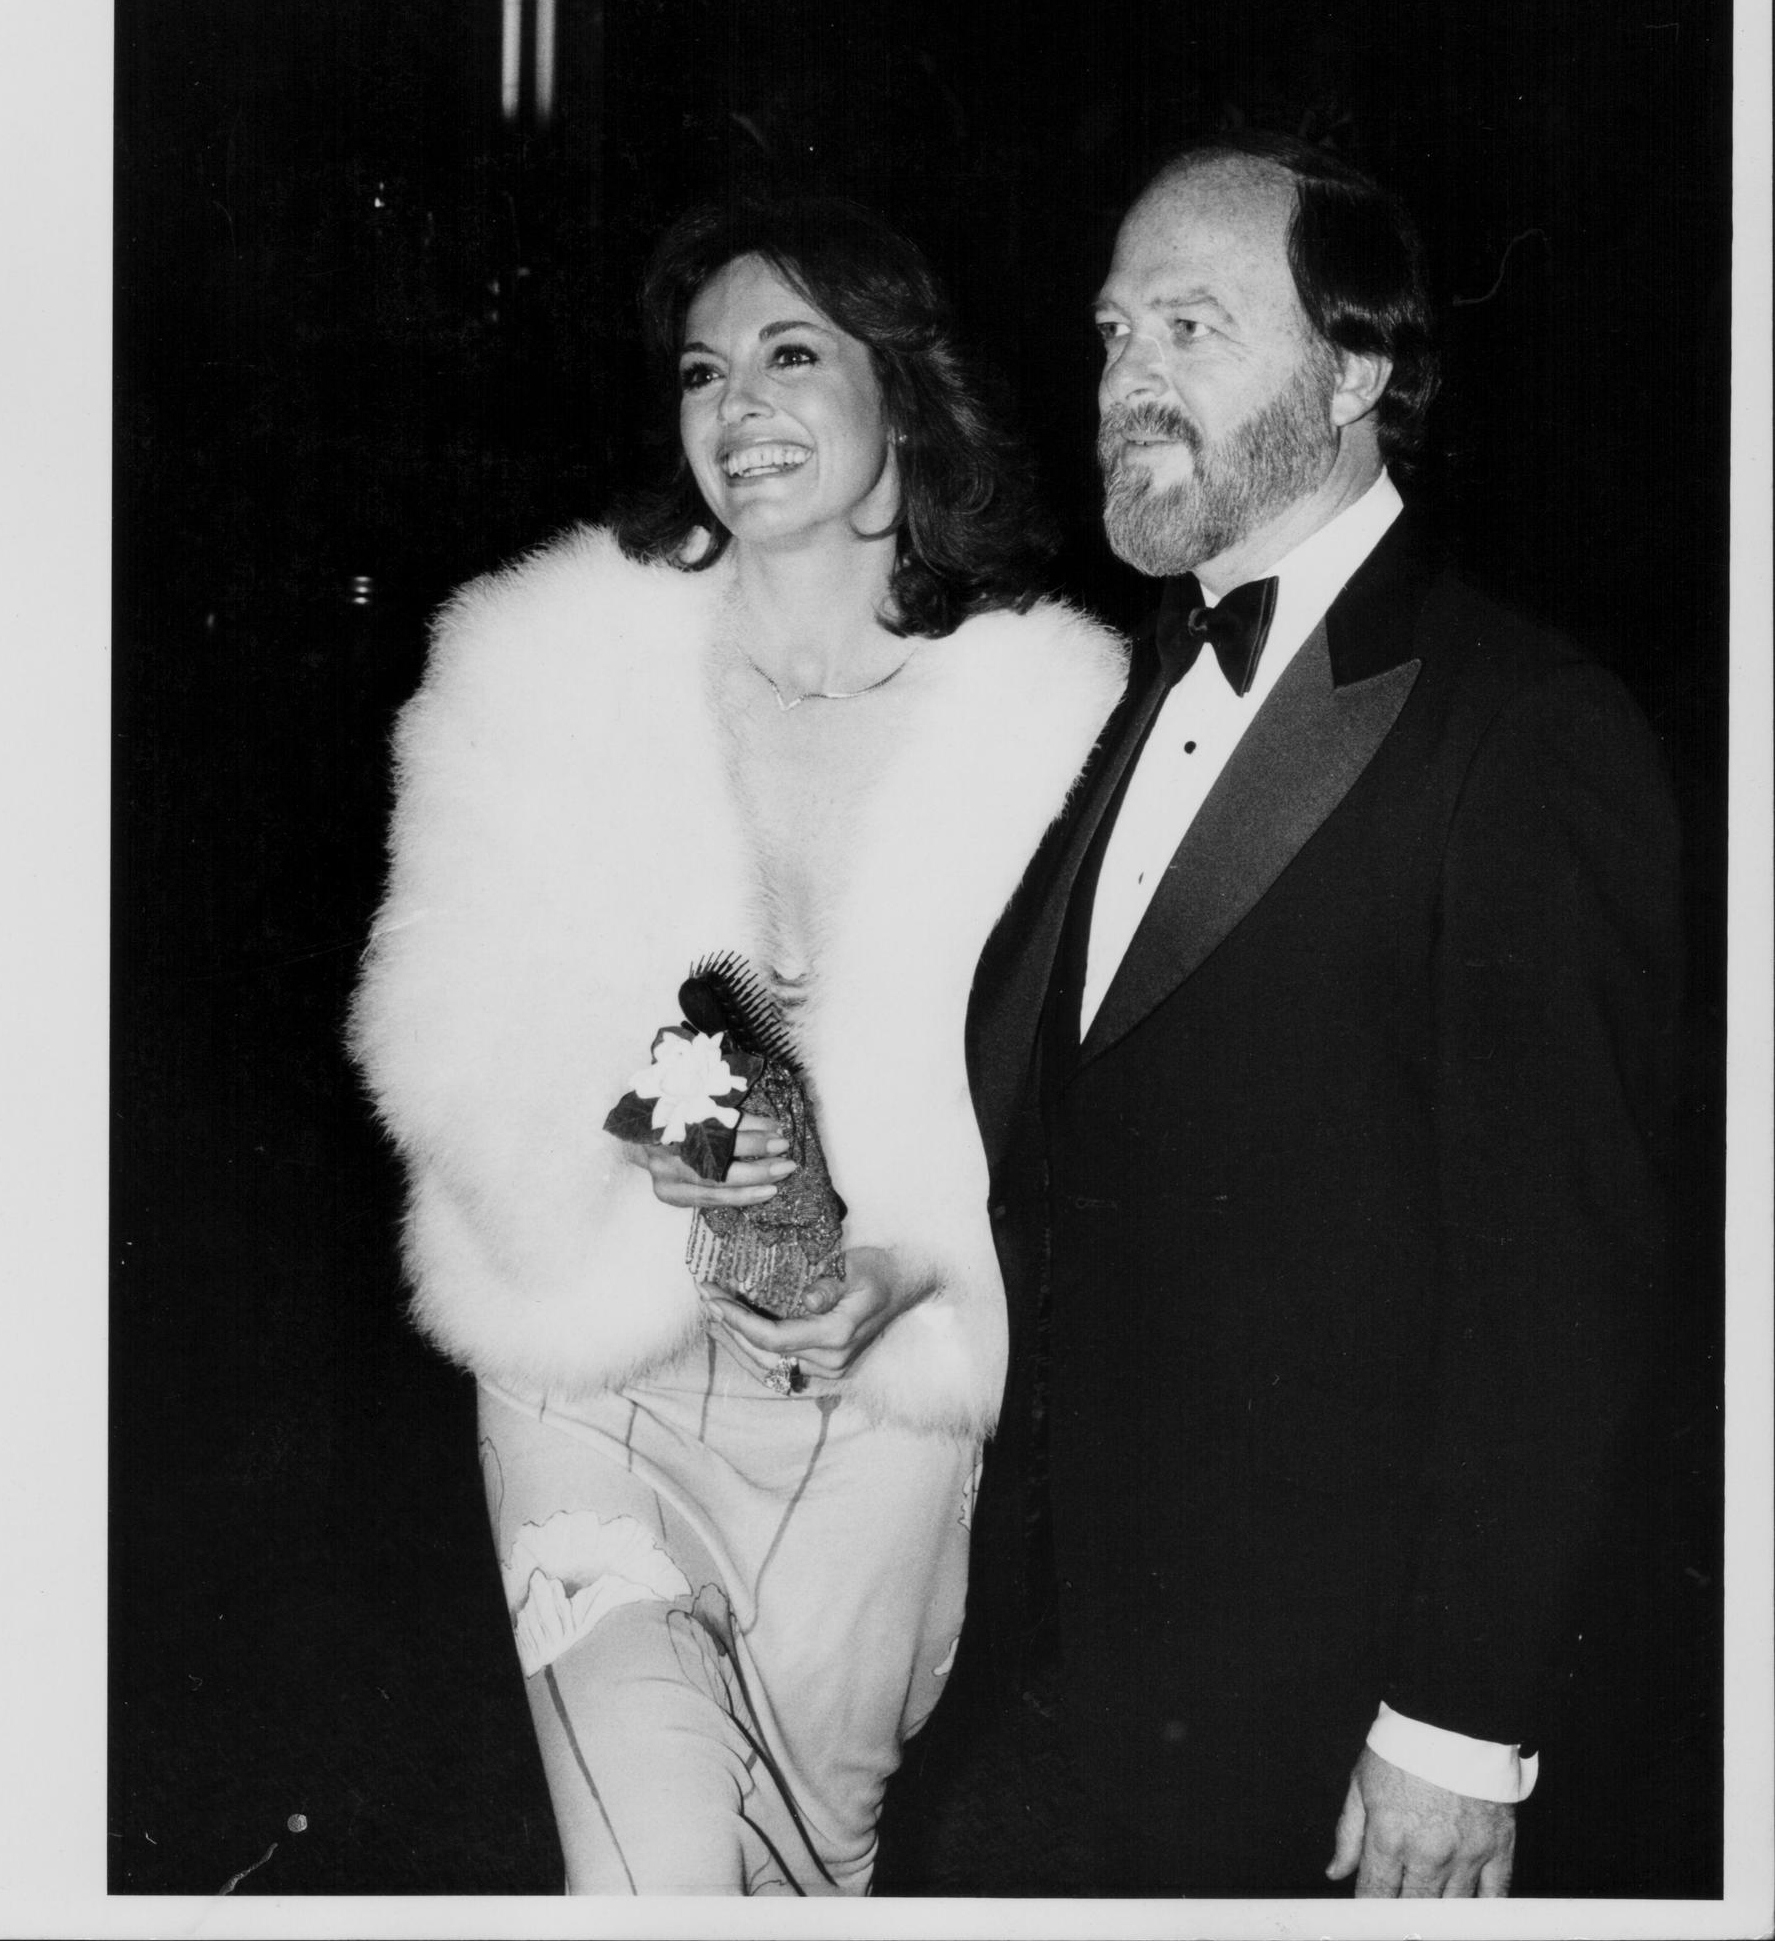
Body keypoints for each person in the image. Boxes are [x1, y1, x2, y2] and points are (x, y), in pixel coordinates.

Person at [348, 194, 1126, 1895]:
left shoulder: (1057, 717)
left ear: (906, 394)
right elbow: (436, 1015)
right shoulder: (543, 661)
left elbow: (1089, 1121)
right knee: (655, 1886)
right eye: (704, 371)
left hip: (879, 1424)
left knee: (807, 1875)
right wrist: (630, 1123)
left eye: (791, 354)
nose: (737, 407)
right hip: (598, 1377)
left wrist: (916, 1267)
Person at [966, 133, 1680, 1899]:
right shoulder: (1110, 688)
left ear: (1354, 369)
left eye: (1191, 328)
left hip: (1313, 1713)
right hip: (1046, 1660)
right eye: (1114, 333)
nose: (1129, 379)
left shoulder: (1520, 726)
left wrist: (1452, 1721)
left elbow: (1560, 1280)